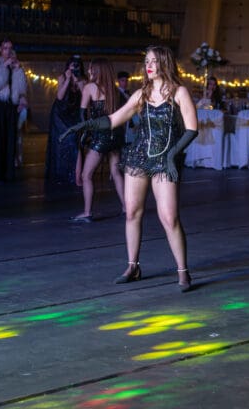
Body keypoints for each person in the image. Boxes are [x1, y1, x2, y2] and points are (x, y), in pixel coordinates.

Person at [61, 46, 199, 292]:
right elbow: (114, 119)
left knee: (169, 217)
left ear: (165, 63)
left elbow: (191, 129)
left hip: (165, 159)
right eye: (147, 61)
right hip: (138, 158)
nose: (149, 66)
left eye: (154, 61)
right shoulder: (141, 94)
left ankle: (182, 271)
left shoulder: (179, 92)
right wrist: (84, 125)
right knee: (132, 213)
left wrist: (173, 155)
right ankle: (133, 267)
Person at [70, 58, 125, 222]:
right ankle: (126, 207)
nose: (88, 71)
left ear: (97, 70)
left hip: (100, 136)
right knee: (116, 172)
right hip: (115, 135)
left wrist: (86, 133)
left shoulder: (89, 87)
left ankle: (87, 212)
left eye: (91, 69)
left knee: (86, 175)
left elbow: (82, 115)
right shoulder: (114, 89)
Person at [0, 38, 27, 181]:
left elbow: (21, 87)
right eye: (5, 48)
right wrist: (5, 66)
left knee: (11, 138)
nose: (8, 51)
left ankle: (9, 172)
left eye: (10, 48)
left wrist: (18, 70)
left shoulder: (15, 63)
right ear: (0, 49)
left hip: (11, 105)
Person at [45, 55, 86, 185]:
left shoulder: (83, 80)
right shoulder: (62, 77)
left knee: (75, 142)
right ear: (68, 66)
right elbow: (60, 96)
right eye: (72, 65)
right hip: (60, 115)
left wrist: (78, 82)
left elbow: (86, 98)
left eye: (77, 65)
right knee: (60, 144)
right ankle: (61, 174)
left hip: (74, 114)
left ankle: (77, 176)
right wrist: (68, 79)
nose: (75, 68)